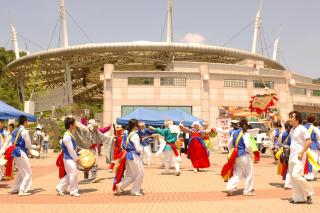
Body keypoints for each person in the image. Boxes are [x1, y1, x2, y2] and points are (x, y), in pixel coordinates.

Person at [288, 111, 313, 204]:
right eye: (290, 116)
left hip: (299, 156)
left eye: (292, 117)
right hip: (292, 155)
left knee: (296, 175)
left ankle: (309, 192)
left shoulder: (302, 128)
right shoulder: (292, 129)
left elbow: (309, 141)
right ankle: (298, 198)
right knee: (293, 177)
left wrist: (302, 152)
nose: (290, 118)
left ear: (297, 119)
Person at [225, 117, 254, 196]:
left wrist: (232, 152)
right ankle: (247, 191)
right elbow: (247, 145)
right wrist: (251, 153)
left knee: (237, 173)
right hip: (245, 155)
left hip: (236, 156)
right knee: (249, 173)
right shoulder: (246, 133)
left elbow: (229, 145)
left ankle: (229, 187)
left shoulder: (234, 132)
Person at [115, 118, 144, 196]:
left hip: (127, 155)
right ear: (135, 125)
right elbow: (138, 148)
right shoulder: (135, 135)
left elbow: (122, 145)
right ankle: (135, 191)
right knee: (140, 173)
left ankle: (120, 186)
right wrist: (142, 149)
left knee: (130, 175)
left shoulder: (126, 133)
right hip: (134, 155)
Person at [7, 115, 35, 196]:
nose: (28, 123)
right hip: (21, 152)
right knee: (28, 172)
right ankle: (22, 190)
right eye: (27, 121)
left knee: (20, 171)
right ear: (25, 121)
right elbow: (28, 145)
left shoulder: (15, 130)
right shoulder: (25, 131)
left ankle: (15, 188)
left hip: (14, 151)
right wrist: (35, 147)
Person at [56, 117, 80, 197]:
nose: (75, 125)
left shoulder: (68, 134)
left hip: (68, 158)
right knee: (74, 173)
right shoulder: (67, 136)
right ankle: (73, 191)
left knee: (69, 174)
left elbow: (72, 147)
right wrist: (76, 158)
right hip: (69, 158)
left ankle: (60, 187)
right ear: (71, 125)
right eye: (74, 123)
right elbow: (70, 149)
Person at [303, 114, 320, 181]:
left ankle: (306, 174)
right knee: (313, 160)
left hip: (305, 145)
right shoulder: (315, 128)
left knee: (306, 161)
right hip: (313, 145)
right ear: (314, 120)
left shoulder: (303, 127)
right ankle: (311, 175)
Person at [276, 121, 292, 189]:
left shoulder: (282, 134)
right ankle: (288, 183)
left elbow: (279, 143)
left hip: (284, 152)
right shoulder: (293, 134)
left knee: (286, 167)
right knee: (290, 168)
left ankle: (287, 182)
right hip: (292, 152)